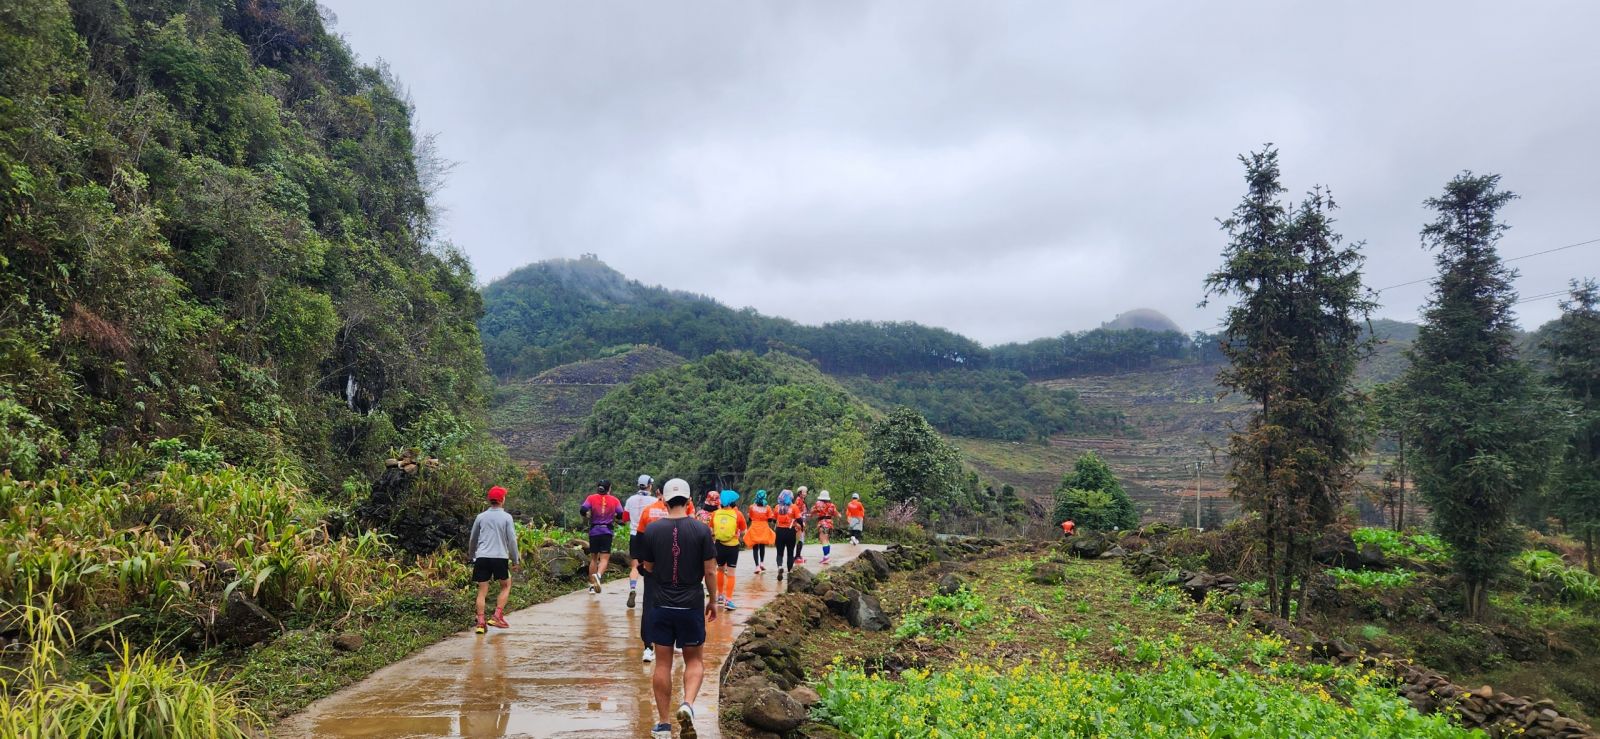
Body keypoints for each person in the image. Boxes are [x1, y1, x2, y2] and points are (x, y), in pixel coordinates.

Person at [638, 478, 718, 739]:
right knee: (694, 660)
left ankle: (663, 724)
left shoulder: (652, 530)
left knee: (663, 663)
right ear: (689, 500)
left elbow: (648, 567)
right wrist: (713, 600)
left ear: (664, 500)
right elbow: (710, 571)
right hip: (691, 604)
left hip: (661, 604)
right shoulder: (702, 530)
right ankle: (687, 705)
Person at [466, 485, 519, 634]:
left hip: (482, 557)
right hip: (499, 557)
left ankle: (480, 623)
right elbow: (512, 541)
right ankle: (497, 616)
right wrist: (515, 560)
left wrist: (471, 555)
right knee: (506, 585)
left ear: (489, 500)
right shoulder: (507, 517)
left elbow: (473, 539)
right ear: (502, 499)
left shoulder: (481, 517)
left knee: (482, 590)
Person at [632, 484, 670, 662]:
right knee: (672, 602)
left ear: (659, 493)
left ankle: (648, 647)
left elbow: (639, 538)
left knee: (649, 604)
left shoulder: (648, 511)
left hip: (651, 567)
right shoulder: (679, 512)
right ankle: (673, 641)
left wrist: (641, 562)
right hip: (673, 566)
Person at [579, 480, 623, 594]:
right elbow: (621, 514)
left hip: (594, 531)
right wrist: (615, 516)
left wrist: (587, 515)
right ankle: (598, 576)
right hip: (607, 532)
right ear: (609, 488)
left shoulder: (591, 498)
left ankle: (591, 587)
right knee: (604, 559)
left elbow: (582, 510)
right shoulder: (614, 500)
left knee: (594, 559)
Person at [709, 489, 748, 610]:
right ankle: (729, 600)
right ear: (732, 502)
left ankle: (719, 596)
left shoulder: (715, 514)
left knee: (720, 570)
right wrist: (738, 535)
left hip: (719, 545)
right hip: (733, 546)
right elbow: (744, 531)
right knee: (731, 573)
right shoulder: (738, 514)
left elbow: (711, 530)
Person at [624, 475, 657, 608]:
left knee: (635, 566)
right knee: (651, 566)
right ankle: (650, 594)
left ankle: (633, 588)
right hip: (650, 535)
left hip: (634, 535)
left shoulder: (630, 500)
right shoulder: (654, 501)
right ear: (649, 486)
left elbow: (625, 517)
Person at [745, 489, 776, 574]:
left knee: (755, 548)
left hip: (754, 527)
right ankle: (762, 563)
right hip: (763, 528)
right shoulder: (767, 507)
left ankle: (757, 566)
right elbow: (770, 519)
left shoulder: (752, 507)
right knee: (762, 546)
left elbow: (750, 518)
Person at [773, 489, 800, 581]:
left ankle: (780, 566)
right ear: (790, 497)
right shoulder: (794, 507)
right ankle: (789, 572)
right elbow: (799, 519)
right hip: (790, 531)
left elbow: (774, 519)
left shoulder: (777, 507)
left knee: (779, 552)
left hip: (779, 531)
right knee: (790, 553)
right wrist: (800, 526)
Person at [811, 490, 840, 565]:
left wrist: (811, 514)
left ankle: (826, 557)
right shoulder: (832, 505)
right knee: (827, 540)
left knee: (823, 540)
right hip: (830, 524)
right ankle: (826, 556)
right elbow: (837, 514)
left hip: (822, 523)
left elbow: (812, 511)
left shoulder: (818, 504)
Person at [792, 486, 809, 565]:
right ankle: (797, 556)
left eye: (806, 492)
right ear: (800, 493)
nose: (805, 493)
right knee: (800, 538)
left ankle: (798, 555)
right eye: (804, 492)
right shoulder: (798, 500)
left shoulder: (802, 500)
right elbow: (797, 512)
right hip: (799, 522)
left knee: (801, 538)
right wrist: (799, 523)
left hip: (802, 521)